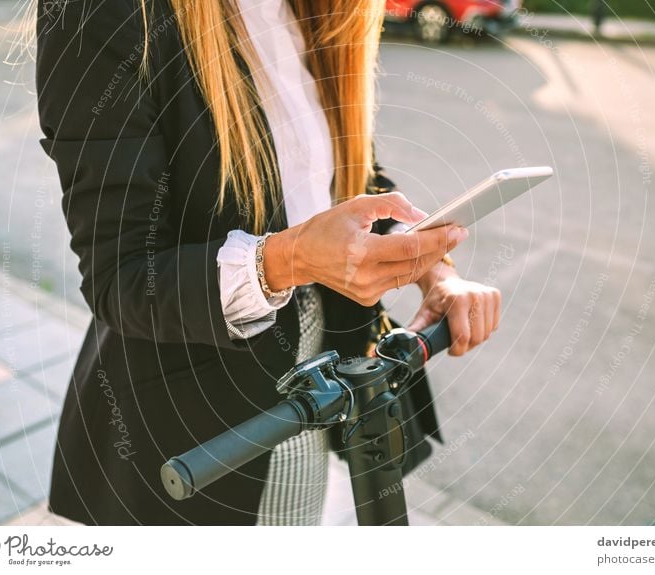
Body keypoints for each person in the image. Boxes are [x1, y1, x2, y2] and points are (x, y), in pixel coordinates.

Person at [33, 0, 501, 525]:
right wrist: (288, 259)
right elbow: (122, 276)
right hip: (186, 432)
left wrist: (433, 268)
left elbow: (343, 178)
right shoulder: (106, 13)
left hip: (312, 391)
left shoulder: (316, 10)